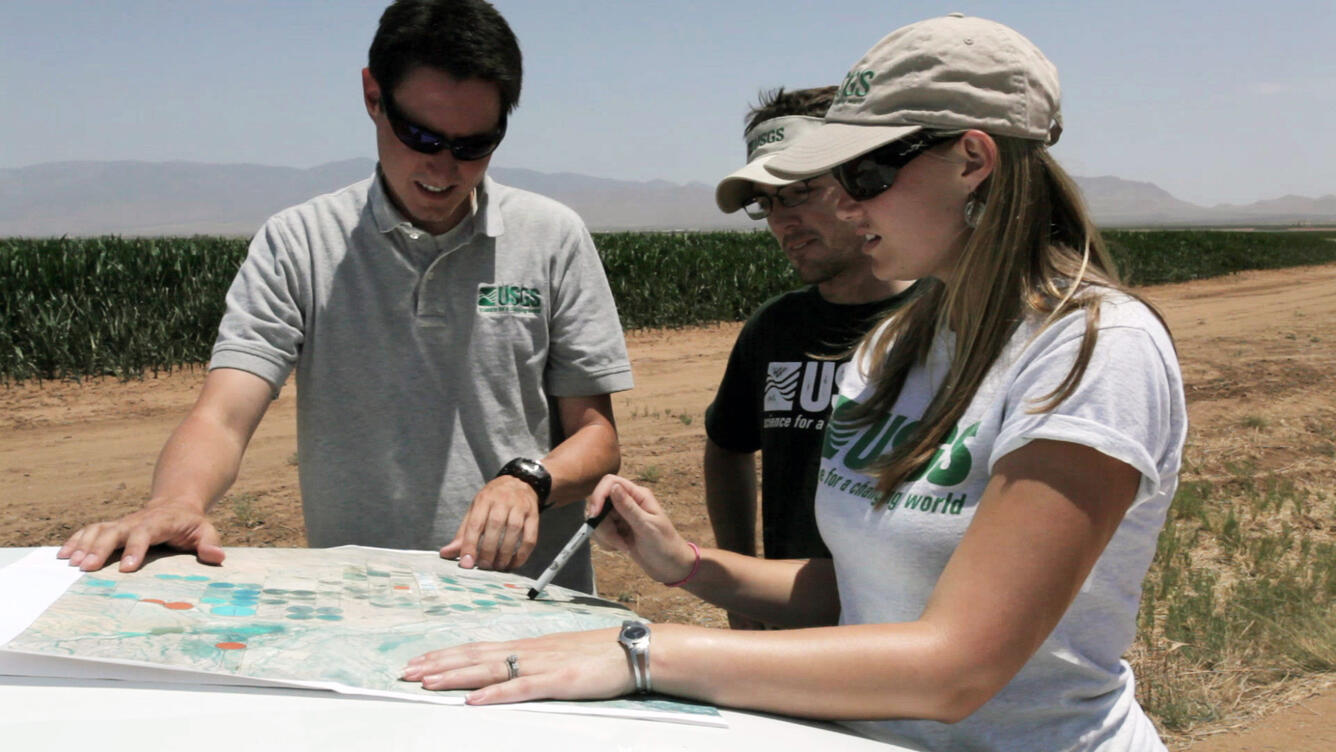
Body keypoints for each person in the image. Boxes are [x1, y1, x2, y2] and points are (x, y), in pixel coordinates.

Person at [400, 14, 1185, 752]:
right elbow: (868, 589)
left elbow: (958, 669)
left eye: (866, 172)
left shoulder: (1093, 351)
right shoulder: (893, 348)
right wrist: (693, 567)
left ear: (973, 161)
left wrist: (643, 650)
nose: (842, 203)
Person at [56, 0, 633, 594]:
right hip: (359, 602)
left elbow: (596, 438)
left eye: (474, 145)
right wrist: (173, 501)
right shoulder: (300, 243)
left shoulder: (552, 237)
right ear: (372, 96)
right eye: (420, 135)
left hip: (526, 600)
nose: (444, 166)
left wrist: (529, 479)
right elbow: (224, 415)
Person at [707, 86, 917, 629]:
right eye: (767, 203)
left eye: (799, 192)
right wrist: (740, 578)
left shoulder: (948, 322)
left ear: (860, 181)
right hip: (790, 625)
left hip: (903, 631)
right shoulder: (774, 328)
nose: (782, 222)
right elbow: (727, 446)